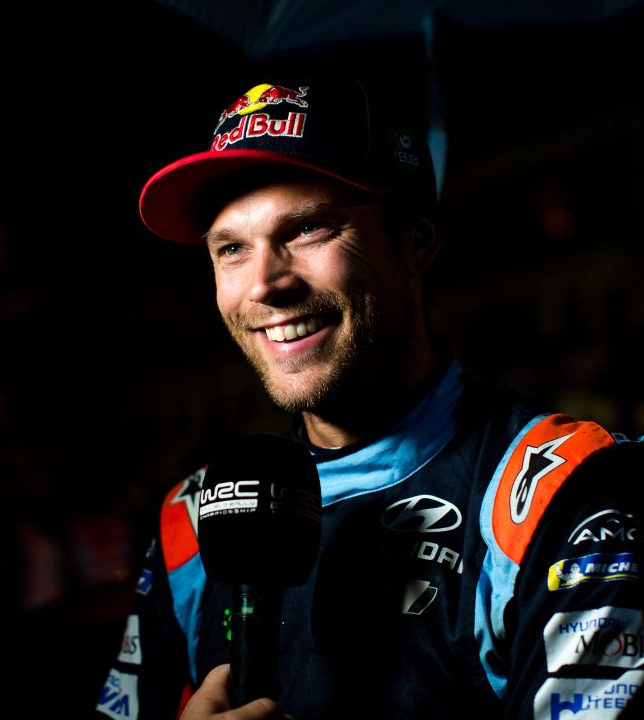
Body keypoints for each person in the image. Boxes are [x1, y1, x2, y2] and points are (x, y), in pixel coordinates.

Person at [95, 75, 643, 719]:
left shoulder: (566, 494)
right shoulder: (190, 519)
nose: (264, 284)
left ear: (414, 244)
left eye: (308, 229)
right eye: (233, 248)